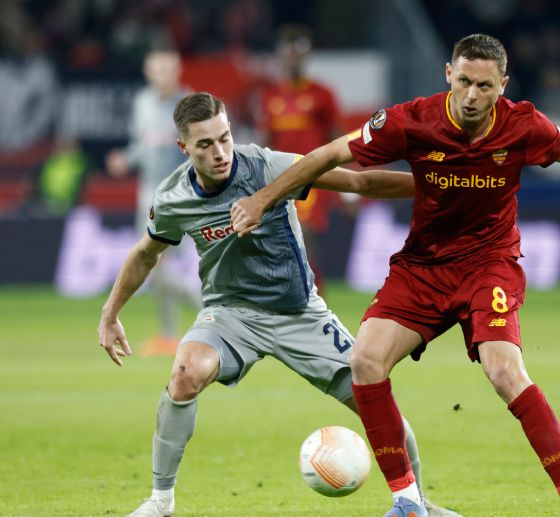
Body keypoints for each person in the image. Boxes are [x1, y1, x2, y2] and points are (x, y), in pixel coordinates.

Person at [231, 34, 560, 517]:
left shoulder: (523, 125)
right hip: (423, 267)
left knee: (504, 371)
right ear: (448, 75)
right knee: (365, 362)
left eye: (485, 86)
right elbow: (329, 155)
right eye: (464, 82)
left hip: (489, 263)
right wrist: (262, 199)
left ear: (502, 85)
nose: (472, 96)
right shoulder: (412, 120)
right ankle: (407, 501)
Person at [97, 92, 460, 517]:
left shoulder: (266, 165)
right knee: (184, 373)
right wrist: (110, 314)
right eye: (205, 145)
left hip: (299, 313)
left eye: (225, 138)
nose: (220, 153)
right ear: (184, 148)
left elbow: (360, 182)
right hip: (230, 314)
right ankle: (160, 502)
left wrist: (442, 185)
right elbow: (146, 253)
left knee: (373, 397)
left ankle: (417, 503)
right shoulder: (173, 197)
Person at [106, 48, 200, 355]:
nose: (160, 76)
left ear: (177, 72)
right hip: (148, 195)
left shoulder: (190, 105)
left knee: (158, 265)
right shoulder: (142, 103)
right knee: (154, 265)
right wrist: (126, 158)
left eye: (166, 70)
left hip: (181, 194)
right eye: (155, 70)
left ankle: (207, 312)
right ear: (148, 72)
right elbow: (141, 144)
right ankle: (171, 333)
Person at [257, 24, 347, 295]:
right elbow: (266, 140)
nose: (293, 58)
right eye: (289, 53)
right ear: (281, 56)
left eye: (299, 53)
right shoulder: (270, 96)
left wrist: (348, 184)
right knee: (285, 240)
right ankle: (300, 293)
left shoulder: (322, 94)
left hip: (313, 177)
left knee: (304, 233)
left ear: (306, 56)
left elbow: (339, 138)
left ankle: (315, 294)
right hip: (281, 176)